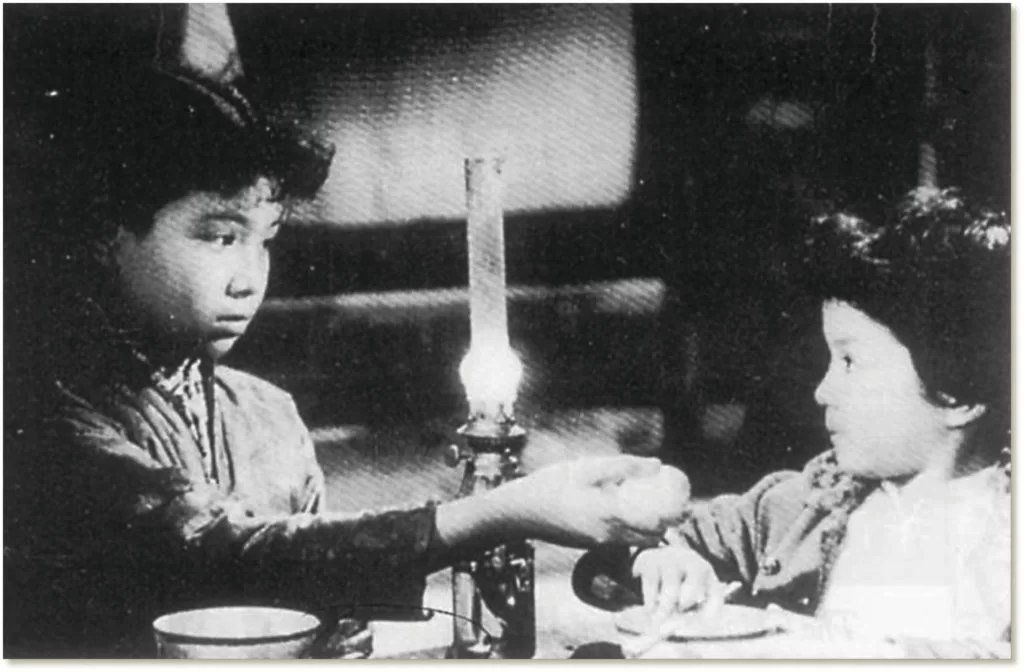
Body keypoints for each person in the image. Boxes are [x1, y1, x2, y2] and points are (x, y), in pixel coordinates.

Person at [2, 20, 687, 657]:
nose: (249, 278)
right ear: (106, 237)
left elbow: (335, 621)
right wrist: (506, 512)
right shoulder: (39, 411)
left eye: (265, 240)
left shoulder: (265, 415)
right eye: (219, 236)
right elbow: (221, 557)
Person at [574, 186, 1011, 658]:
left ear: (955, 394)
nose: (823, 391)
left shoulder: (1002, 531)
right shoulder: (799, 506)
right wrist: (660, 560)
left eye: (851, 362)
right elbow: (613, 561)